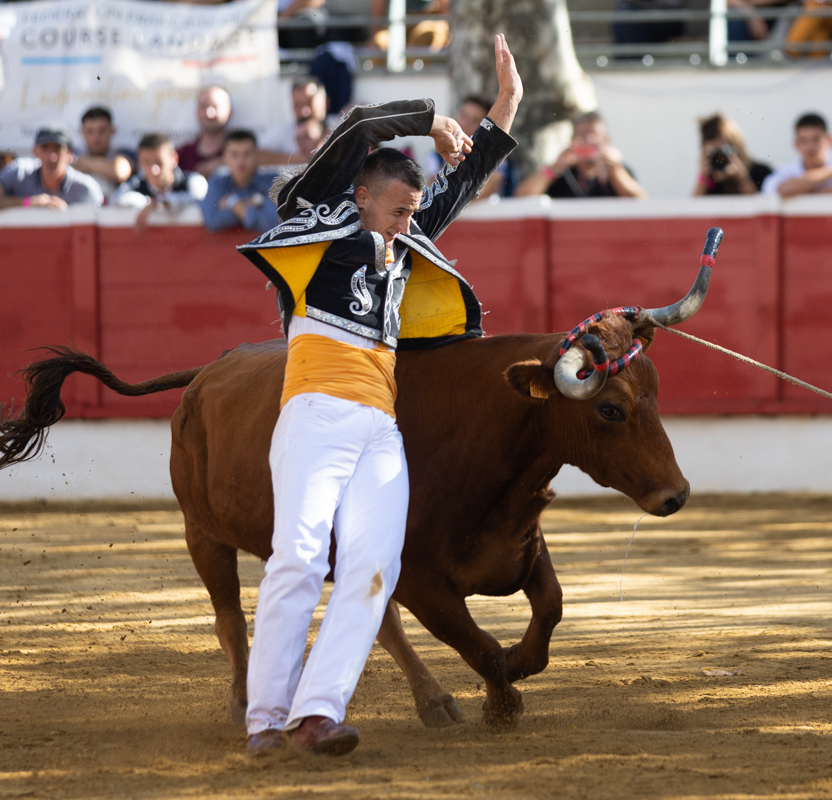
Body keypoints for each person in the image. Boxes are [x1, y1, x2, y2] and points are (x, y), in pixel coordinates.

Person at [234, 33, 522, 758]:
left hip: (377, 426)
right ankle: (266, 719)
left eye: (412, 214)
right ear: (356, 196)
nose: (407, 225)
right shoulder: (314, 219)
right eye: (396, 210)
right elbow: (362, 125)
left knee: (373, 567)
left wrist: (506, 107)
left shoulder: (400, 235)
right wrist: (427, 116)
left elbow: (465, 177)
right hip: (315, 411)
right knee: (298, 556)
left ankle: (316, 714)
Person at [0, 125, 104, 210]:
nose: (51, 157)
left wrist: (66, 216)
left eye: (57, 149)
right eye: (45, 148)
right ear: (35, 152)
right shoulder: (19, 171)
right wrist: (28, 202)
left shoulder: (87, 189)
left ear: (70, 154)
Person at [516, 111, 645, 198]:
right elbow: (522, 197)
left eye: (593, 135)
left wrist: (616, 170)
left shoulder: (619, 170)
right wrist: (553, 169)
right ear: (572, 141)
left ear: (606, 141)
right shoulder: (562, 174)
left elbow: (640, 200)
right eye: (582, 135)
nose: (588, 140)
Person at [425, 95, 518, 199]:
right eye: (463, 115)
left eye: (474, 121)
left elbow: (490, 186)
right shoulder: (436, 155)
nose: (464, 123)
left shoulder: (495, 155)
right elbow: (433, 190)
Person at [112, 134, 208, 233]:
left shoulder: (192, 180)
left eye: (159, 162)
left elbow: (200, 198)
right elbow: (116, 199)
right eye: (146, 162)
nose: (154, 170)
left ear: (174, 159)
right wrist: (149, 202)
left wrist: (159, 202)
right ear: (139, 163)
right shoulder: (136, 183)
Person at [762, 113, 832, 197]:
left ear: (829, 140)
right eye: (804, 140)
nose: (810, 146)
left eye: (816, 139)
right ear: (796, 144)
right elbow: (782, 190)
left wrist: (803, 189)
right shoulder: (786, 169)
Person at [200, 130, 280, 234]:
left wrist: (233, 203)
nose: (240, 161)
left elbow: (270, 223)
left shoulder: (273, 182)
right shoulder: (217, 184)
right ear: (225, 158)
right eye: (234, 154)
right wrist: (250, 203)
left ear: (257, 155)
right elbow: (212, 221)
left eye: (247, 154)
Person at [694, 113, 772, 196]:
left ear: (737, 147)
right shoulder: (710, 183)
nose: (719, 159)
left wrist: (741, 178)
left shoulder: (761, 172)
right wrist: (703, 178)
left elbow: (760, 206)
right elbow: (692, 207)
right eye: (713, 153)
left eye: (723, 151)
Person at [260, 77, 329, 166]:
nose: (304, 112)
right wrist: (302, 159)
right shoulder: (282, 132)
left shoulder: (341, 126)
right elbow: (256, 155)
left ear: (326, 102)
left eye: (309, 103)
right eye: (298, 105)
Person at [73, 106, 135, 199]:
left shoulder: (124, 153)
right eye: (90, 131)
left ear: (112, 130)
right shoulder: (73, 152)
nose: (96, 137)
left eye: (102, 131)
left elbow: (119, 172)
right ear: (82, 132)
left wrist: (82, 162)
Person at [177, 86, 232, 177]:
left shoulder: (241, 148)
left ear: (230, 111)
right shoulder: (182, 154)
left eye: (215, 106)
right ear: (197, 111)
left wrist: (224, 164)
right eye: (203, 106)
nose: (209, 113)